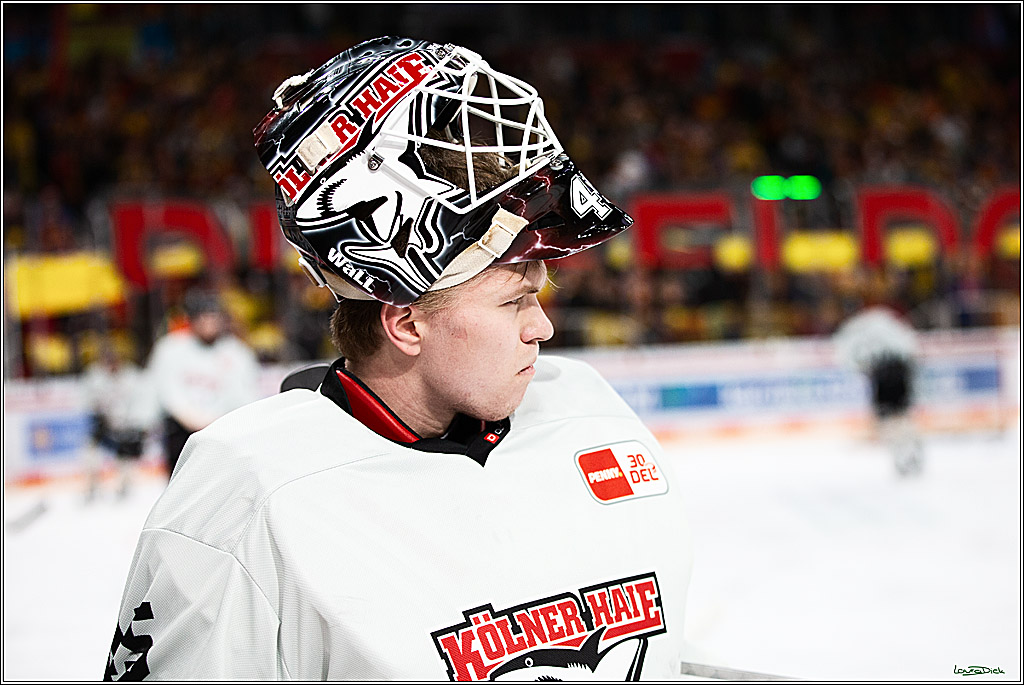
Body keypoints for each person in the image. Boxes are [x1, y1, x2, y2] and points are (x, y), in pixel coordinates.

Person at [105, 37, 692, 681]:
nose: (542, 327)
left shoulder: (588, 408)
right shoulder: (248, 493)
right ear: (405, 321)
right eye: (512, 301)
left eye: (539, 292)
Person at [146, 288, 260, 477]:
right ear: (191, 320)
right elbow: (167, 392)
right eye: (203, 317)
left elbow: (245, 397)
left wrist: (215, 423)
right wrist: (194, 421)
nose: (209, 323)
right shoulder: (171, 348)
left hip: (224, 431)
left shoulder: (237, 353)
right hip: (181, 432)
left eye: (213, 317)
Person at [834, 305, 924, 476]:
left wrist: (865, 369)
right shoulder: (884, 319)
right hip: (901, 368)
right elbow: (910, 344)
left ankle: (903, 451)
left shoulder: (852, 331)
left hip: (882, 372)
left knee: (887, 417)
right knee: (901, 415)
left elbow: (848, 359)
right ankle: (907, 445)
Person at [81, 338, 153, 501]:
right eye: (106, 358)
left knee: (125, 457)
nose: (110, 362)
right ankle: (92, 488)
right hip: (105, 425)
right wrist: (98, 417)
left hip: (127, 426)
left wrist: (138, 426)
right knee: (90, 453)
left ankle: (124, 487)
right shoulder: (94, 376)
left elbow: (143, 403)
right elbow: (86, 401)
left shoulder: (133, 377)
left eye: (114, 358)